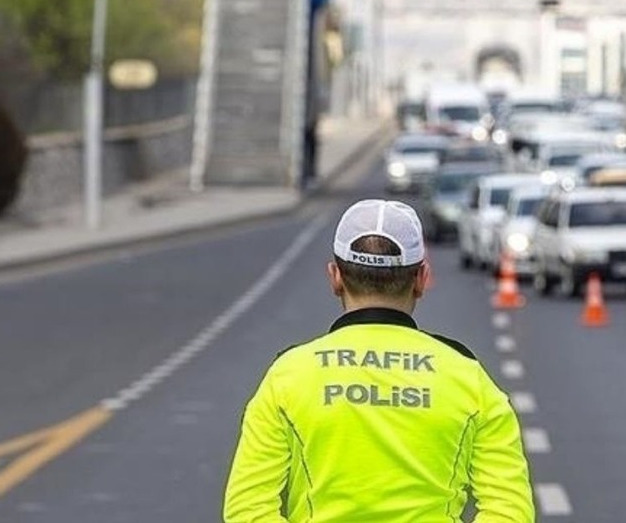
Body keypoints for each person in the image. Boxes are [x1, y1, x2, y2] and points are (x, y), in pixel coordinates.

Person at [223, 199, 535, 522]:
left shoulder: (288, 376)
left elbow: (247, 510)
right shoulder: (469, 378)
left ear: (335, 277)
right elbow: (510, 510)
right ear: (421, 279)